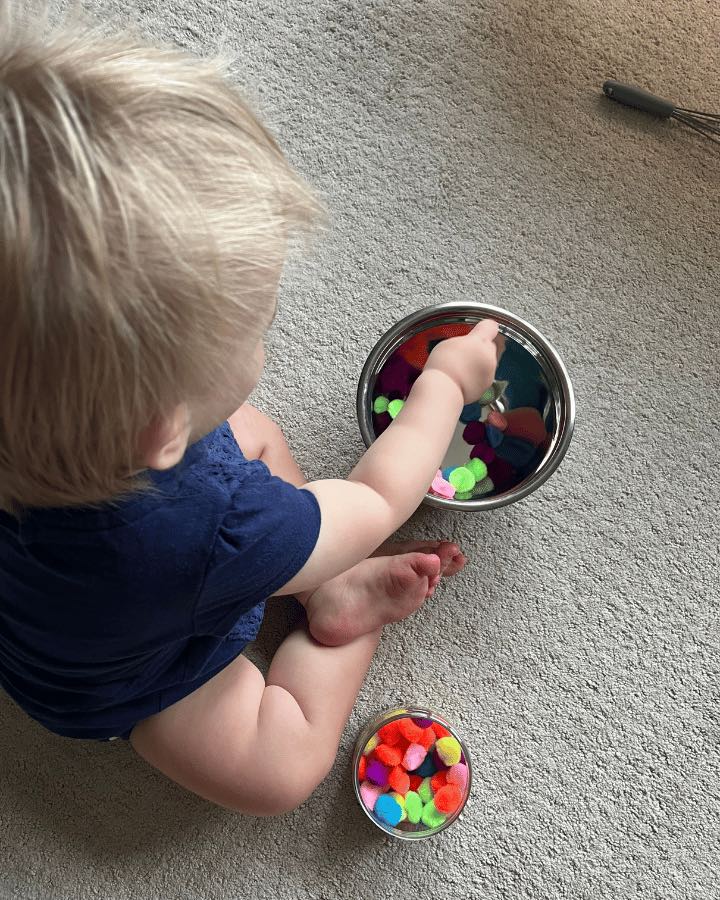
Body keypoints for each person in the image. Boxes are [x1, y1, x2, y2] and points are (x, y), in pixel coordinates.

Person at [0, 18, 503, 815]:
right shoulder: (224, 521)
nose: (267, 336)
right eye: (256, 330)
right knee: (279, 769)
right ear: (159, 432)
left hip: (68, 585)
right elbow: (377, 499)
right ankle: (335, 603)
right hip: (123, 677)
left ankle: (312, 578)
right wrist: (444, 381)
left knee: (249, 430)